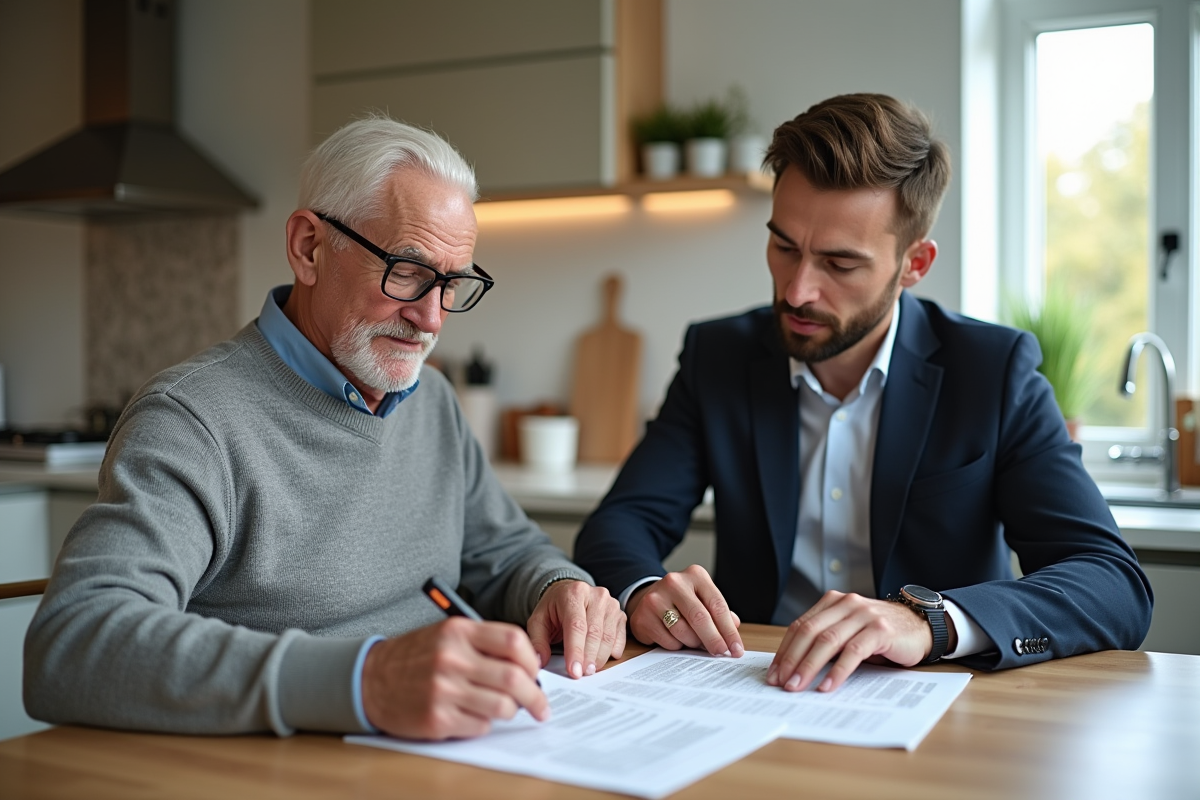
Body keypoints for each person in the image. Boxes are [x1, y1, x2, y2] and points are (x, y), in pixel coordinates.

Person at [25, 116, 625, 740]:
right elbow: (73, 644)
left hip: (442, 752)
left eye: (452, 284)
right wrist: (368, 681)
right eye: (408, 271)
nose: (431, 318)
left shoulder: (432, 401)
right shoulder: (192, 420)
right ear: (309, 247)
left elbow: (506, 553)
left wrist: (558, 586)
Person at [574, 93, 1152, 693]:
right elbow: (620, 524)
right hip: (750, 684)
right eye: (784, 247)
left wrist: (930, 622)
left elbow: (1112, 584)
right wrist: (644, 591)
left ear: (914, 264)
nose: (796, 291)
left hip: (939, 701)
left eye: (840, 264)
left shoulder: (992, 370)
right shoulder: (717, 356)